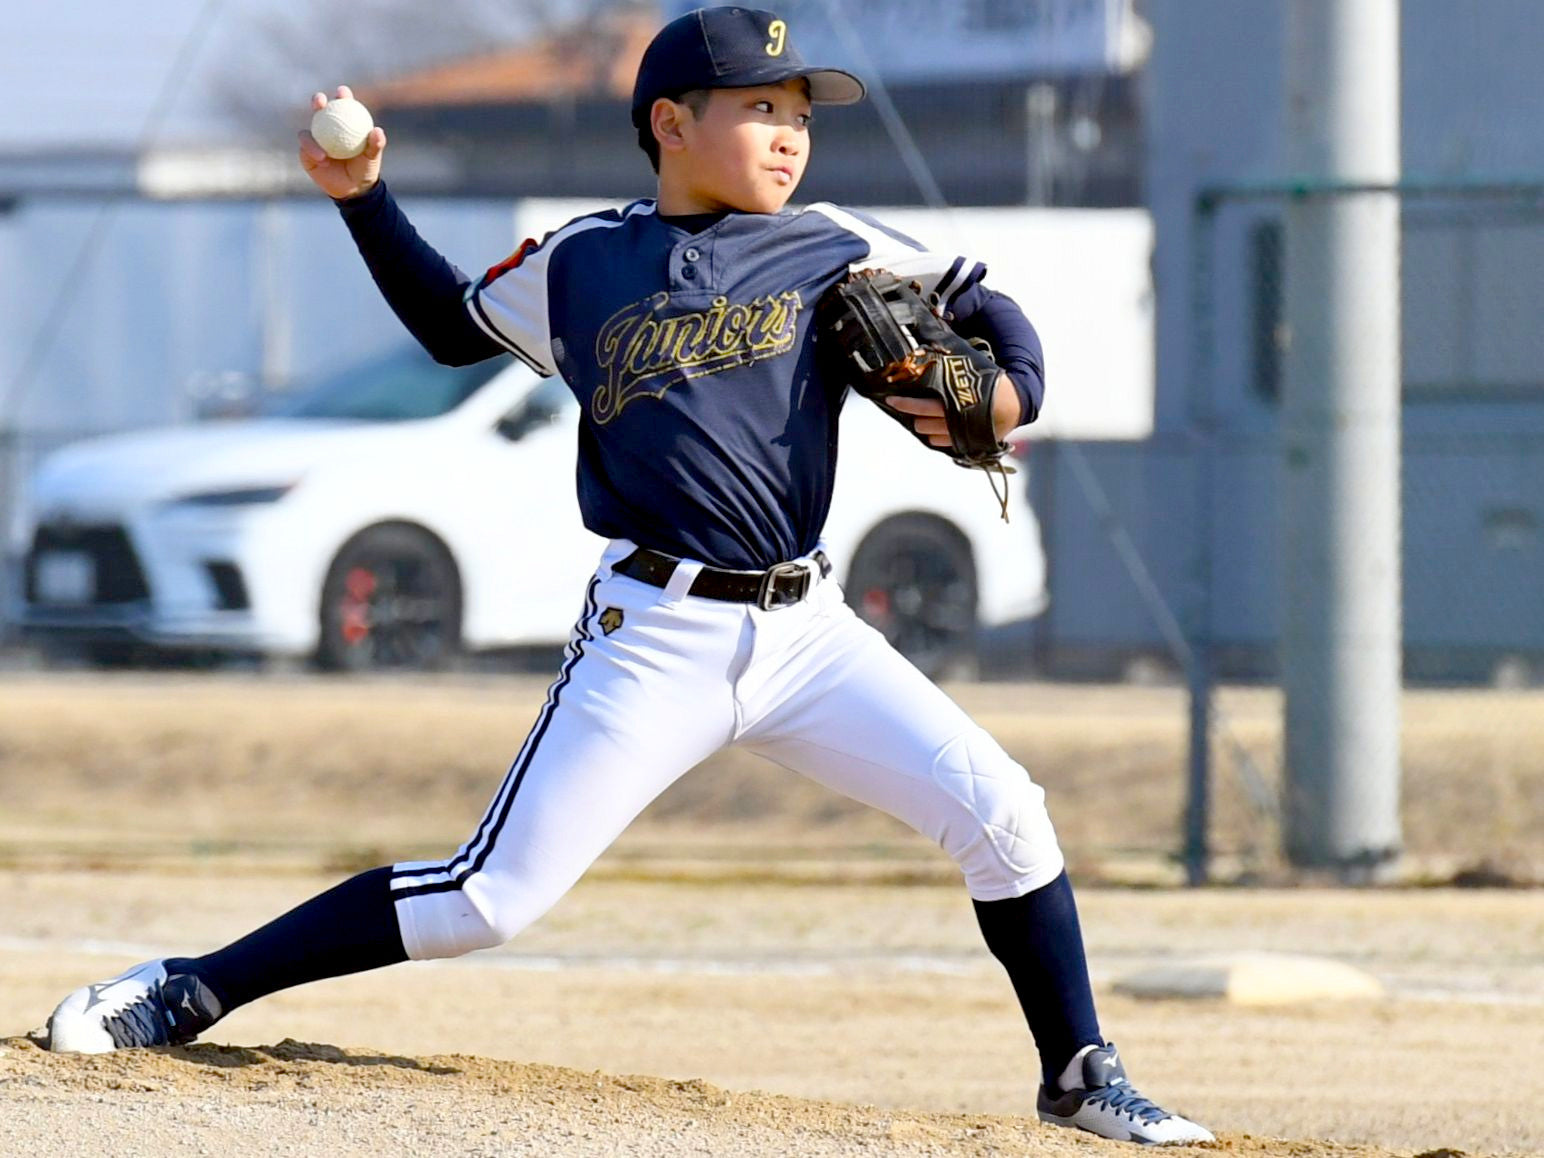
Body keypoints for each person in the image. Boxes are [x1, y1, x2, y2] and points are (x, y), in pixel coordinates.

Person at [44, 7, 1212, 1145]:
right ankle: (188, 988)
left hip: (808, 633)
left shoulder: (832, 243)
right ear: (670, 121)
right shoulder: (584, 261)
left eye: (801, 114)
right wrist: (364, 200)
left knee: (1004, 813)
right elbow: (452, 326)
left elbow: (981, 300)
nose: (790, 135)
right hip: (655, 634)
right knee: (484, 900)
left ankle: (1077, 1075)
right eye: (760, 109)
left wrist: (1014, 389)